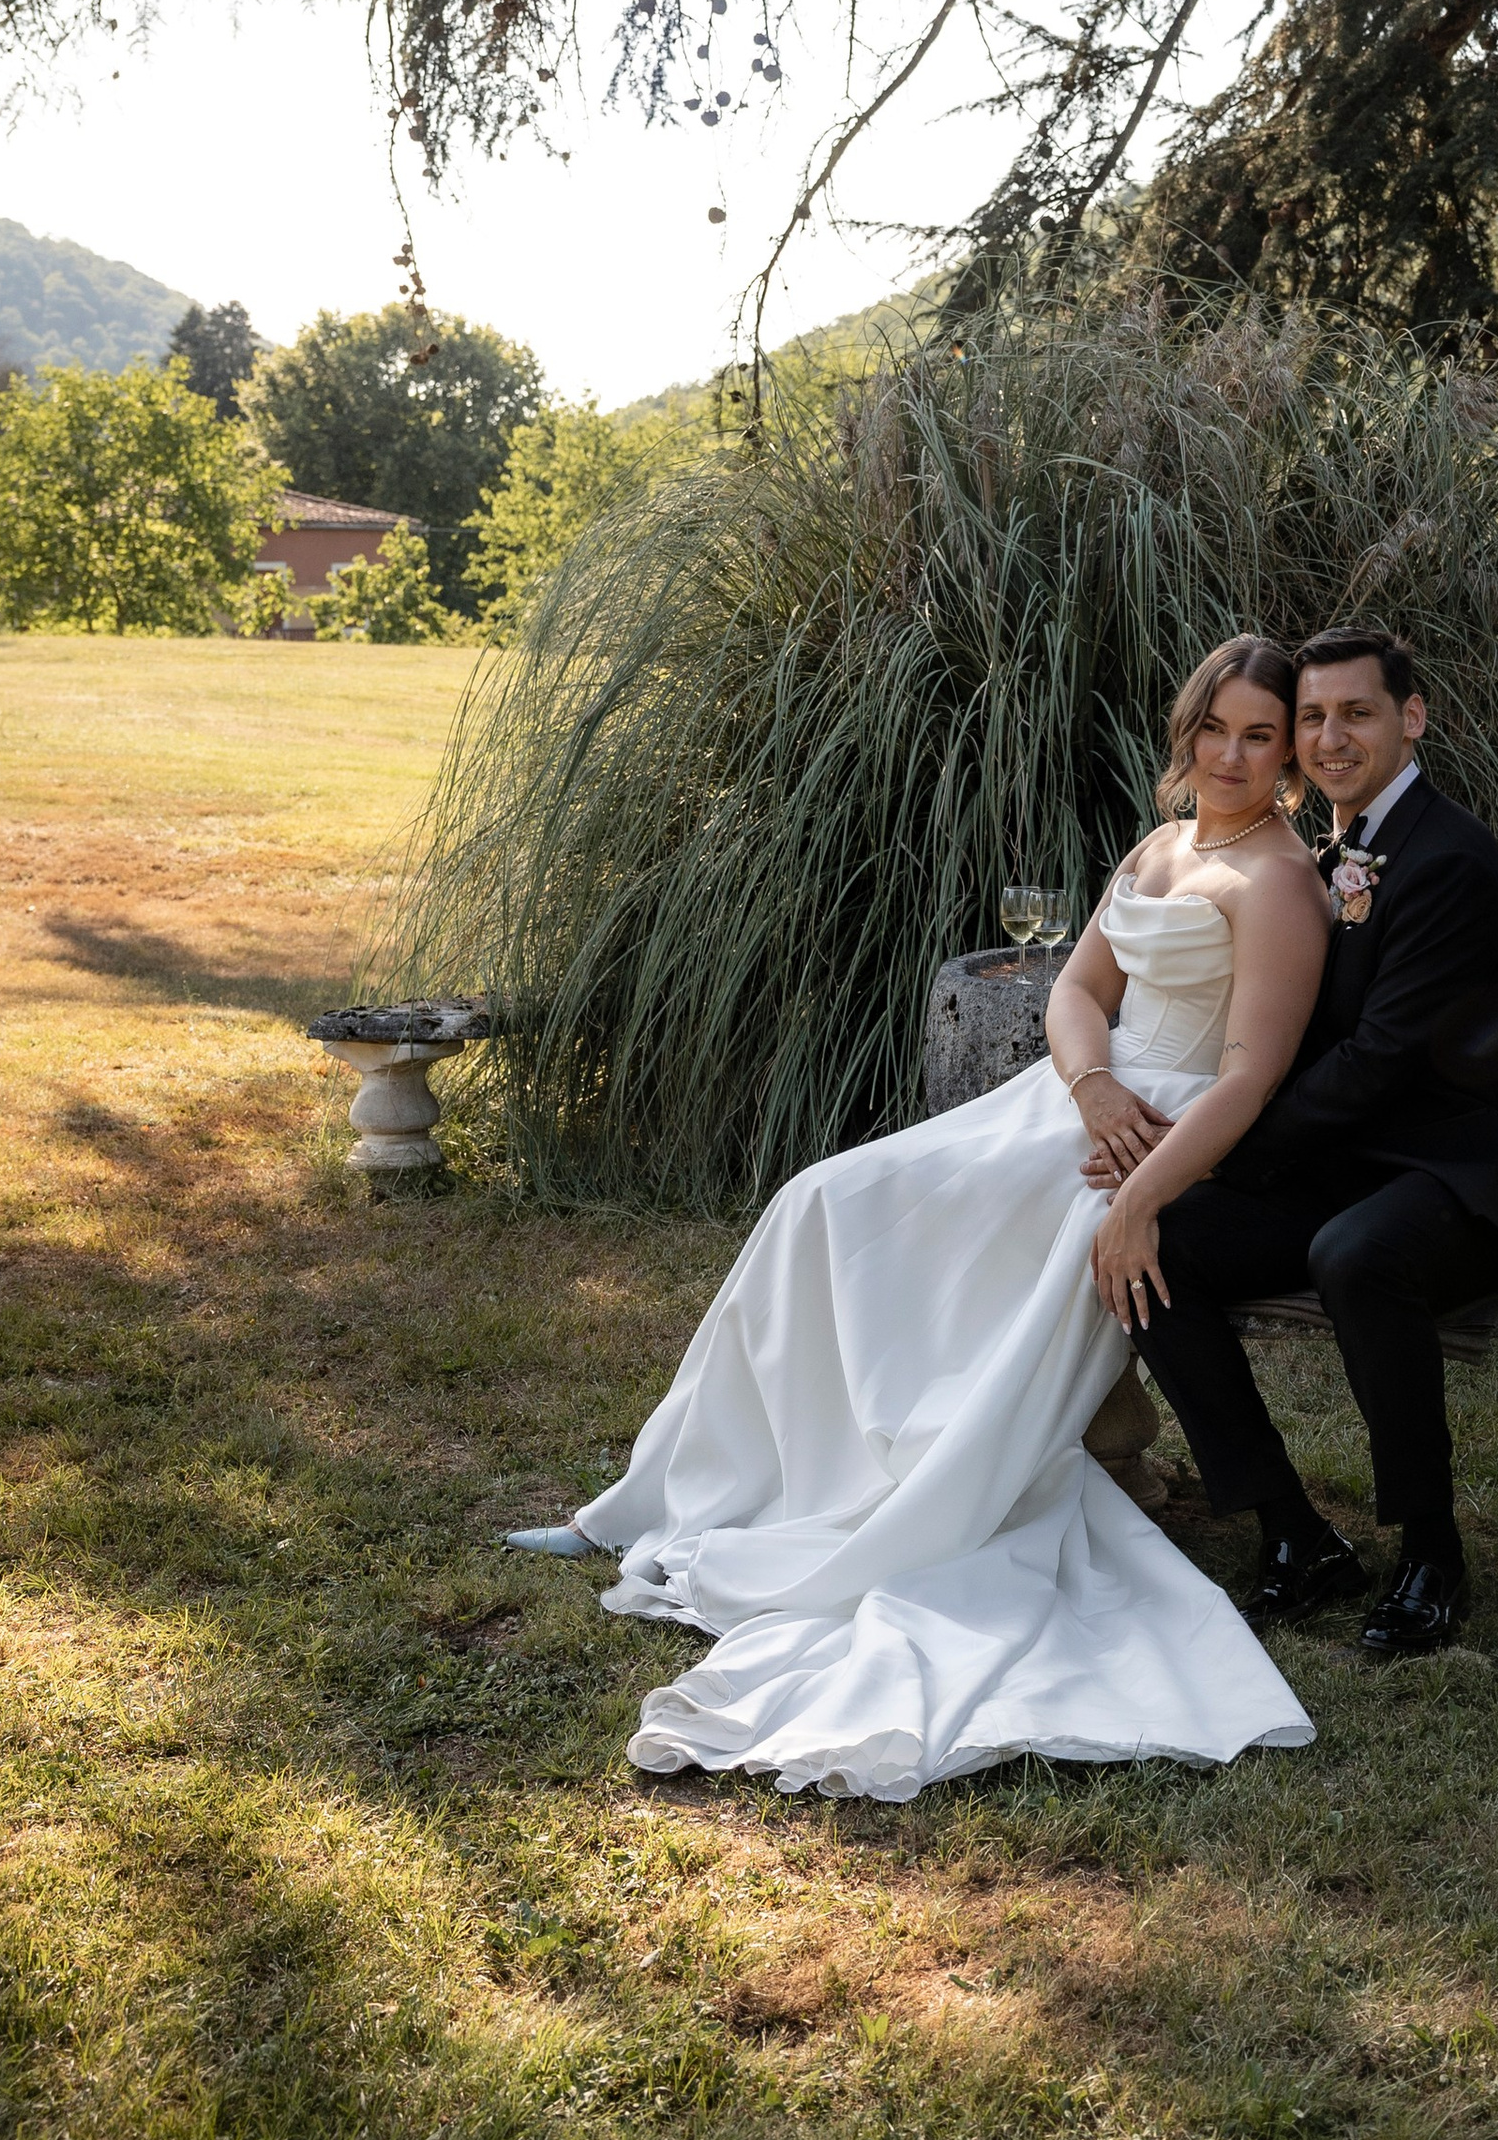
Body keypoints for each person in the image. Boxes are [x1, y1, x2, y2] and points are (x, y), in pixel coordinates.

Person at [502, 638, 1330, 1800]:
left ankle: (899, 1486)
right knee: (817, 1202)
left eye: (1260, 735)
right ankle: (668, 1496)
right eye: (1215, 728)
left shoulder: (1283, 881)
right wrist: (1087, 1084)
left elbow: (1245, 1077)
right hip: (1069, 1103)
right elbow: (1082, 992)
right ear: (1187, 730)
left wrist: (1137, 1185)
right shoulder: (1161, 842)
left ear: (1293, 747)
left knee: (944, 1249)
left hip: (1166, 1132)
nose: (1233, 755)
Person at [1093, 626, 1498, 1660]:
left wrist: (1223, 1146)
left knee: (1358, 1255)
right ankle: (1293, 1532)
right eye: (1312, 718)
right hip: (1345, 1167)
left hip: (1456, 1174)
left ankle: (1431, 1554)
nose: (1330, 736)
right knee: (1166, 1245)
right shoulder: (1331, 853)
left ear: (1411, 718)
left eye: (1357, 713)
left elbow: (1381, 1060)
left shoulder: (1449, 858)